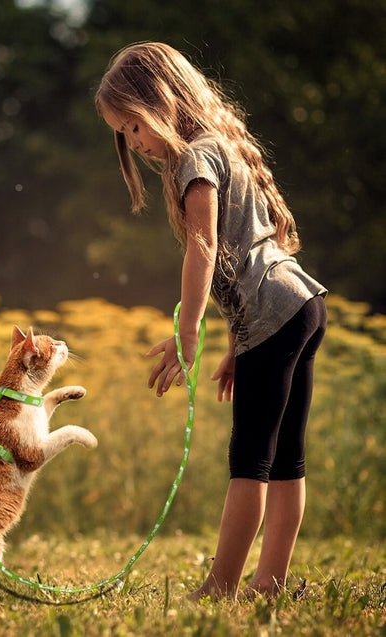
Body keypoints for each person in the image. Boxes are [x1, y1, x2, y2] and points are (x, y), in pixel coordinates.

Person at [95, 42, 327, 600]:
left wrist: (188, 331)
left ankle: (221, 587)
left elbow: (203, 249)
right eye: (123, 134)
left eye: (132, 126)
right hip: (300, 305)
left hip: (275, 315)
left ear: (160, 102)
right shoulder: (223, 146)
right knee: (286, 459)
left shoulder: (196, 158)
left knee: (250, 458)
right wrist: (236, 343)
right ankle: (268, 586)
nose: (135, 142)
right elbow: (244, 258)